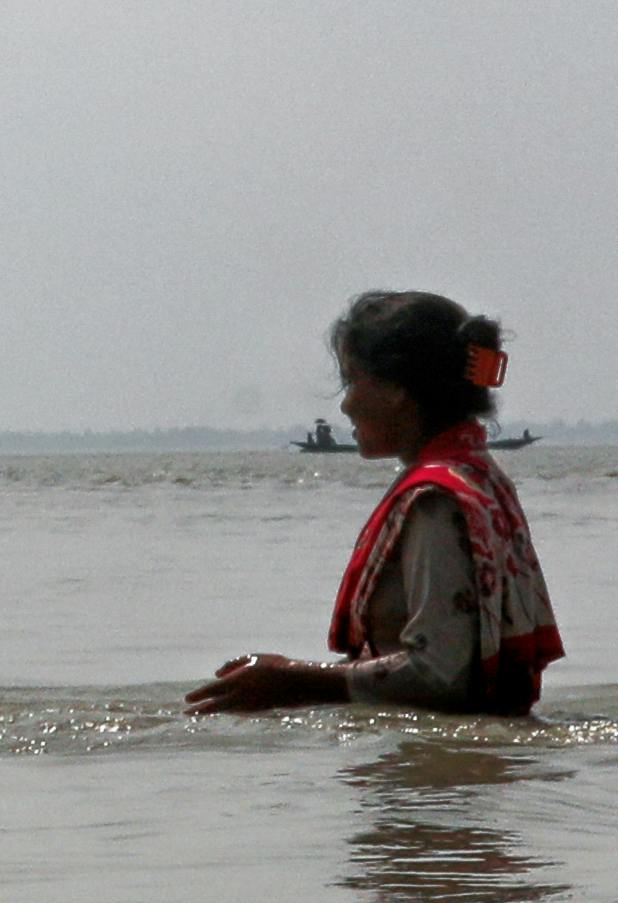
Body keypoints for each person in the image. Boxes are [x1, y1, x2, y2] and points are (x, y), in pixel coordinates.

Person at [192, 288, 558, 719]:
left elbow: (441, 676)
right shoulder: (483, 480)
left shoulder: (436, 501)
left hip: (435, 785)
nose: (346, 404)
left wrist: (292, 681)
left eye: (352, 380)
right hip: (472, 774)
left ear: (398, 388)